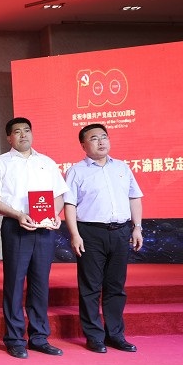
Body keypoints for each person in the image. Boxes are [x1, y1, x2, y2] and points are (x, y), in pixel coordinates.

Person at [0, 117, 69, 359]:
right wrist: (17, 214)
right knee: (14, 283)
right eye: (17, 132)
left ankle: (39, 337)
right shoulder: (0, 163)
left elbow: (59, 195)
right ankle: (14, 339)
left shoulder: (47, 162)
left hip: (44, 229)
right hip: (16, 227)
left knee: (40, 283)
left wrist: (54, 214)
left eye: (27, 130)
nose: (23, 135)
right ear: (9, 138)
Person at [63, 123, 143, 353]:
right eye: (94, 138)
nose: (101, 142)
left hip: (120, 232)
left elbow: (134, 198)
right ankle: (94, 336)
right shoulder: (76, 171)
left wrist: (137, 228)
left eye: (104, 137)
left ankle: (115, 335)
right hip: (90, 233)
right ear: (83, 145)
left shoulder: (122, 167)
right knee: (90, 287)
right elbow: (70, 205)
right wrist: (75, 234)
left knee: (116, 286)